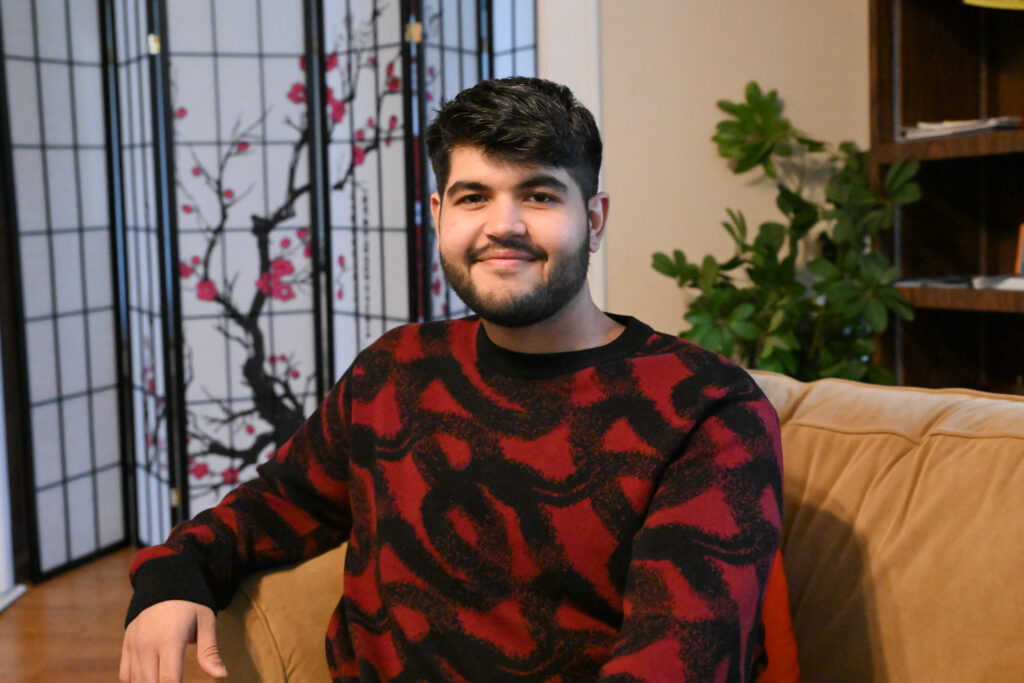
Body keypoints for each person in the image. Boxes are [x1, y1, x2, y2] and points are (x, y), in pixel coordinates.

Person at [120, 77, 783, 682]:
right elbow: (278, 503)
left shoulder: (707, 409)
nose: (504, 225)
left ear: (595, 218)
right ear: (439, 213)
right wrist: (174, 577)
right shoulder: (395, 370)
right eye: (474, 197)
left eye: (540, 194)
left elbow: (679, 660)